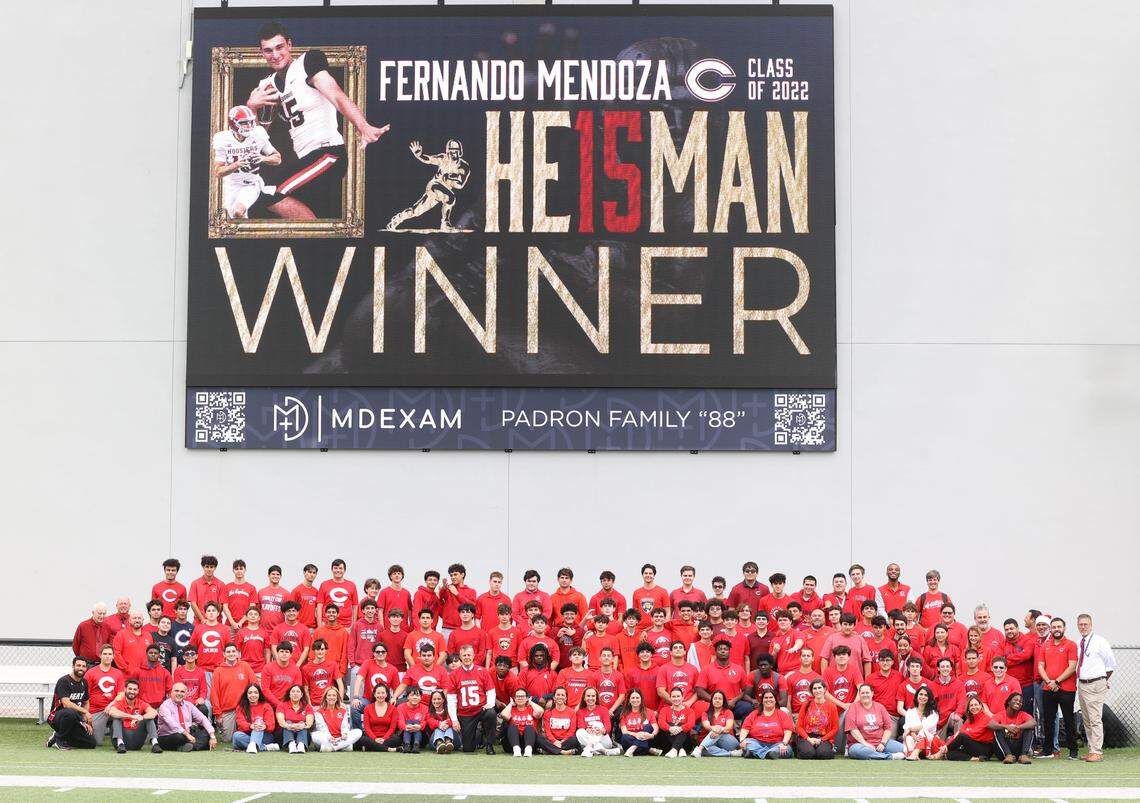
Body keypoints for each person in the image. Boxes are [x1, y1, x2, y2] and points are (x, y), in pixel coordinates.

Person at [247, 22, 389, 219]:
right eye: (268, 50)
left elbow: (336, 94)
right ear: (261, 52)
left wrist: (362, 125)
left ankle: (313, 236)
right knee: (267, 198)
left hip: (327, 153)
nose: (275, 55)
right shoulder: (267, 85)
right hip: (305, 160)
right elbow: (257, 139)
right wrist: (251, 107)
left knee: (270, 192)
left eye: (280, 47)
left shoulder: (307, 63)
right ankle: (314, 235)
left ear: (290, 45)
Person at [1075, 613, 1115, 762]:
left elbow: (1111, 664)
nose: (1083, 627)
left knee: (1095, 718)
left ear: (1091, 625)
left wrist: (1103, 680)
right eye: (1080, 624)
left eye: (1085, 624)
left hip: (1096, 683)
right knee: (1086, 719)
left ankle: (1097, 751)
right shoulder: (1079, 642)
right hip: (1082, 684)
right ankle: (1092, 749)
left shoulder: (1100, 641)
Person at [1037, 616, 1079, 760]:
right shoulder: (1045, 645)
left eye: (1059, 627)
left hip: (1066, 689)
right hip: (1048, 688)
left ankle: (1073, 750)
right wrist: (1049, 682)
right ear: (1050, 629)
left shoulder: (1071, 645)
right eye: (1054, 627)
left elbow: (1072, 667)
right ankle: (1047, 750)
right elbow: (1040, 666)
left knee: (1068, 719)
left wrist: (1056, 681)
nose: (1056, 629)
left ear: (1064, 628)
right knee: (1048, 720)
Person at [447, 643, 498, 754]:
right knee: (468, 748)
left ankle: (489, 745)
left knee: (491, 713)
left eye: (469, 655)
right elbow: (451, 699)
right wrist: (454, 720)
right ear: (460, 657)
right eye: (464, 655)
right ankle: (478, 735)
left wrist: (489, 705)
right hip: (465, 713)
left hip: (481, 709)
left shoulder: (482, 671)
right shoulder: (454, 674)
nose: (467, 657)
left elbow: (490, 691)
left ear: (473, 656)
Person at [46, 657, 97, 750]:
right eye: (78, 665)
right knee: (70, 712)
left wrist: (84, 720)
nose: (81, 668)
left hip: (75, 719)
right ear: (73, 666)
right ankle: (60, 741)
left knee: (91, 743)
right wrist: (85, 712)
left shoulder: (84, 682)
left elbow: (86, 702)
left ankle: (57, 736)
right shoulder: (64, 681)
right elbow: (66, 704)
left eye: (83, 666)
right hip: (57, 717)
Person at [845, 684, 905, 759]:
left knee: (905, 749)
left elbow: (888, 728)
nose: (865, 695)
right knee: (856, 751)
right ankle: (890, 756)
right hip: (859, 744)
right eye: (862, 693)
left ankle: (876, 755)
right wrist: (865, 744)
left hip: (880, 742)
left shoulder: (880, 707)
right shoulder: (853, 707)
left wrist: (883, 743)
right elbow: (852, 729)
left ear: (872, 693)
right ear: (859, 694)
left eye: (867, 693)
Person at [209, 643, 255, 742]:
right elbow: (214, 694)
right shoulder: (218, 671)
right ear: (224, 654)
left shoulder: (245, 666)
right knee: (228, 739)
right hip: (228, 711)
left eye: (233, 651)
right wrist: (218, 714)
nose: (231, 654)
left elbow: (254, 686)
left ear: (238, 653)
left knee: (252, 732)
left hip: (245, 708)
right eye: (228, 652)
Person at [156, 682, 217, 752]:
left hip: (187, 734)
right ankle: (196, 745)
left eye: (182, 692)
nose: (179, 693)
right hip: (169, 736)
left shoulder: (188, 705)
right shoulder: (165, 706)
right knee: (179, 737)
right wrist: (187, 734)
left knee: (206, 732)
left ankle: (188, 747)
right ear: (171, 693)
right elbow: (171, 723)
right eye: (176, 691)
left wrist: (212, 736)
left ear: (186, 694)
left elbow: (203, 719)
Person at [106, 679, 161, 753]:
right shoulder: (119, 702)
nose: (132, 691)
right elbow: (112, 712)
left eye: (135, 689)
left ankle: (155, 744)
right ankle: (120, 743)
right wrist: (132, 716)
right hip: (122, 741)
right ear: (125, 689)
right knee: (116, 719)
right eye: (130, 689)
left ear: (138, 691)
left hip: (137, 741)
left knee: (149, 718)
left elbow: (154, 712)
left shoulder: (141, 703)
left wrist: (141, 717)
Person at [84, 645, 124, 747]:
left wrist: (111, 705)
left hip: (113, 708)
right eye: (105, 654)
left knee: (118, 717)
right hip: (96, 710)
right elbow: (85, 696)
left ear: (113, 656)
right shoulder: (90, 673)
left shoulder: (118, 673)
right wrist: (86, 713)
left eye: (110, 654)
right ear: (100, 655)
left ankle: (118, 741)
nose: (107, 656)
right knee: (97, 742)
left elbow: (121, 694)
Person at [738, 688, 793, 759]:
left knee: (786, 749)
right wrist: (742, 741)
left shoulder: (782, 714)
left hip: (777, 744)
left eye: (771, 697)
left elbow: (788, 731)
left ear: (775, 700)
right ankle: (768, 754)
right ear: (762, 701)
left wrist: (784, 743)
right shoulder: (754, 714)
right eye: (766, 698)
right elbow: (745, 729)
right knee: (747, 743)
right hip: (757, 743)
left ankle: (755, 753)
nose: (768, 699)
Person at [795, 679, 838, 759]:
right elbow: (799, 727)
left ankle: (823, 749)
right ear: (812, 691)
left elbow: (835, 728)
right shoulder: (806, 704)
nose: (817, 691)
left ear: (824, 689)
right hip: (807, 737)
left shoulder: (832, 706)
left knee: (823, 754)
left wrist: (821, 739)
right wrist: (809, 739)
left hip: (824, 737)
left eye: (819, 688)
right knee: (808, 753)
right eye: (815, 688)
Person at [989, 691, 1035, 764]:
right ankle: (1008, 755)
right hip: (1003, 751)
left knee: (1029, 729)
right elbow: (990, 724)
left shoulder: (1023, 714)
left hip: (1018, 750)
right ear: (1009, 702)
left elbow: (1033, 723)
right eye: (1015, 700)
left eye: (1020, 701)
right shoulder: (1000, 714)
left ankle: (1023, 756)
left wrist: (1018, 728)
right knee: (998, 729)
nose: (1018, 702)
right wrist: (1006, 727)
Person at [312, 686, 362, 752]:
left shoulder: (343, 710)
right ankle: (343, 747)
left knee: (358, 732)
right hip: (327, 739)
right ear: (325, 698)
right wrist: (329, 737)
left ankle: (332, 748)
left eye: (334, 695)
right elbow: (322, 727)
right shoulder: (319, 712)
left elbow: (345, 726)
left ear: (337, 698)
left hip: (340, 739)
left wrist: (345, 734)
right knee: (314, 735)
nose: (331, 697)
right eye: (329, 695)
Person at [945, 695, 993, 761]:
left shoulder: (986, 718)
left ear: (980, 706)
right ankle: (974, 759)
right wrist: (946, 745)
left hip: (985, 749)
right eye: (971, 705)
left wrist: (966, 732)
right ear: (968, 708)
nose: (974, 707)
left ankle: (941, 753)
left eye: (976, 705)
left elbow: (976, 734)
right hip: (972, 747)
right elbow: (958, 733)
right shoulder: (969, 720)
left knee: (962, 736)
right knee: (948, 754)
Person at [901, 685, 943, 760]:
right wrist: (913, 735)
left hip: (930, 743)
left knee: (923, 732)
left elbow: (925, 727)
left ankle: (915, 754)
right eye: (921, 694)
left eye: (926, 695)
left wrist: (910, 729)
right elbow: (906, 728)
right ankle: (913, 754)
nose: (923, 697)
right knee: (908, 737)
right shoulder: (910, 712)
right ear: (917, 696)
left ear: (929, 698)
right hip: (915, 740)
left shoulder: (933, 713)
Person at [233, 684, 279, 752]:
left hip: (264, 736)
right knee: (236, 736)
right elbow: (240, 723)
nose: (253, 695)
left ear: (259, 694)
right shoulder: (241, 707)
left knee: (259, 722)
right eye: (250, 693)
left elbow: (271, 724)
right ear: (246, 694)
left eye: (256, 692)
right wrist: (250, 726)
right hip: (247, 734)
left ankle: (253, 745)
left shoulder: (266, 706)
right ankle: (264, 747)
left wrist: (265, 726)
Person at [693, 690, 739, 757]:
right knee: (705, 750)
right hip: (711, 742)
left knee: (716, 731)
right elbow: (707, 726)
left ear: (723, 701)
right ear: (712, 700)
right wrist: (714, 728)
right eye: (715, 698)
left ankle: (699, 749)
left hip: (728, 741)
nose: (717, 700)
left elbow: (728, 728)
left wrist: (719, 729)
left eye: (720, 699)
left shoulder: (728, 712)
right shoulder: (706, 713)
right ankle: (731, 754)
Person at [501, 687, 544, 757]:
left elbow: (540, 711)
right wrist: (511, 704)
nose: (520, 698)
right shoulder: (511, 710)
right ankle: (516, 749)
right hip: (512, 743)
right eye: (518, 696)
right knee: (512, 726)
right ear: (514, 698)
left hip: (529, 741)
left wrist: (530, 702)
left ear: (527, 698)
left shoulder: (531, 709)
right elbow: (504, 715)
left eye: (522, 696)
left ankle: (528, 750)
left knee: (529, 727)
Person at [577, 687, 621, 756]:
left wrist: (602, 730)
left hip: (604, 741)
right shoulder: (580, 712)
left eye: (593, 696)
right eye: (588, 696)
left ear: (596, 697)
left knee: (598, 724)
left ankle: (589, 749)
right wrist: (587, 729)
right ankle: (603, 751)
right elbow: (580, 725)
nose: (591, 698)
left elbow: (608, 726)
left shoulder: (604, 710)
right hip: (588, 737)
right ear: (584, 698)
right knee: (579, 732)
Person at [618, 689, 662, 756]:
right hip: (631, 739)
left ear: (641, 699)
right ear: (629, 700)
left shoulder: (649, 712)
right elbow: (624, 731)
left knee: (648, 727)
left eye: (637, 698)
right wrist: (636, 735)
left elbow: (655, 727)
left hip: (647, 738)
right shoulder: (624, 714)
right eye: (633, 698)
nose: (635, 700)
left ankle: (633, 748)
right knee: (625, 737)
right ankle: (648, 750)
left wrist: (652, 735)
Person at [358, 683, 401, 752]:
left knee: (397, 739)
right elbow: (367, 727)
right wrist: (375, 739)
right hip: (371, 737)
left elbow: (392, 728)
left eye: (383, 693)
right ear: (374, 694)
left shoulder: (393, 709)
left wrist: (384, 738)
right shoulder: (367, 708)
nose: (380, 695)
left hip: (387, 738)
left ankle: (371, 747)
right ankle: (389, 749)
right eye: (378, 693)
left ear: (387, 694)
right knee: (362, 739)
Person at [275, 684, 314, 753]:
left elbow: (309, 724)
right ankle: (291, 744)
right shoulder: (282, 705)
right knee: (288, 722)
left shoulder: (307, 707)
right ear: (289, 694)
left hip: (303, 732)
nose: (295, 693)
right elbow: (281, 722)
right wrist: (290, 726)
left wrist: (301, 725)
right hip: (285, 733)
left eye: (298, 692)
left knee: (303, 724)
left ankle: (301, 745)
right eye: (293, 691)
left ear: (301, 695)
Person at [188, 556, 223, 623]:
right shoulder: (195, 584)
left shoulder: (221, 584)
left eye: (211, 567)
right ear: (203, 567)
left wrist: (212, 619)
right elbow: (193, 604)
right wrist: (202, 619)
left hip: (216, 622)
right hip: (199, 622)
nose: (209, 569)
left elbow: (221, 605)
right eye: (207, 567)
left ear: (215, 568)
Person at [396, 687, 428, 752]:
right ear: (407, 697)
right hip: (405, 734)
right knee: (409, 722)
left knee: (416, 722)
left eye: (417, 695)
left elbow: (425, 721)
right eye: (412, 695)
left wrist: (420, 726)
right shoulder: (400, 707)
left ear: (421, 697)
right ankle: (407, 744)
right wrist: (405, 727)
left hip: (421, 736)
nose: (415, 697)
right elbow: (400, 721)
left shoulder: (425, 708)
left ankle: (416, 744)